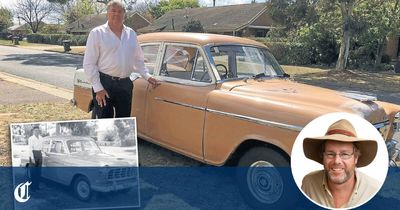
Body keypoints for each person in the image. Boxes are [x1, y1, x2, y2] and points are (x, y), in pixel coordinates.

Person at [83, 0, 159, 119]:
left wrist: (147, 76)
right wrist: (98, 88)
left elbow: (138, 58)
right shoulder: (97, 33)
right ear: (107, 13)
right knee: (104, 121)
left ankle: (120, 139)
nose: (116, 14)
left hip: (125, 84)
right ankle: (105, 139)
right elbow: (89, 63)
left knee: (123, 121)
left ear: (124, 14)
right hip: (104, 83)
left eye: (120, 11)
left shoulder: (131, 34)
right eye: (113, 11)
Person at [301, 119, 380, 209]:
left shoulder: (374, 190)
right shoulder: (309, 183)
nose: (336, 161)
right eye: (330, 154)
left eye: (345, 154)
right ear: (323, 156)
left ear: (356, 158)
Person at [28, 125, 43, 190]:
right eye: (35, 130)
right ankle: (33, 187)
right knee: (33, 172)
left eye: (38, 130)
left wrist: (43, 154)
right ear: (33, 131)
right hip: (33, 154)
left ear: (39, 131)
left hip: (39, 154)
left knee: (39, 172)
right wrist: (32, 158)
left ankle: (37, 186)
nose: (37, 131)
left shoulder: (41, 138)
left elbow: (42, 148)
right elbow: (30, 149)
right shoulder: (31, 138)